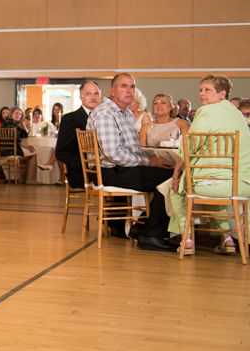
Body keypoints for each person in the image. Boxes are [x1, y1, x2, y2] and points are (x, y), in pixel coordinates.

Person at [86, 73, 176, 252]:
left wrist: (151, 158)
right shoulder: (105, 113)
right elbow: (113, 154)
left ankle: (142, 227)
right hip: (109, 172)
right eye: (124, 86)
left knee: (170, 170)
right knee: (171, 176)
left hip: (120, 168)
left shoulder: (125, 113)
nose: (129, 91)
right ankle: (150, 234)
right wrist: (148, 162)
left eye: (132, 87)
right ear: (112, 91)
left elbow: (133, 149)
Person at [166, 75, 250, 255]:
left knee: (175, 189)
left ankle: (186, 240)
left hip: (216, 184)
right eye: (201, 90)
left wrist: (176, 172)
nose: (202, 94)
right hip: (243, 185)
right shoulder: (236, 113)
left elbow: (189, 147)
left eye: (208, 90)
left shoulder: (207, 111)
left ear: (222, 94)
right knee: (209, 185)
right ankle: (226, 238)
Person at [55, 81, 102, 190]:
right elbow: (61, 153)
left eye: (96, 94)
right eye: (88, 94)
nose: (93, 97)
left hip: (104, 168)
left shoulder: (105, 118)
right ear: (81, 97)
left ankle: (116, 205)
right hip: (82, 172)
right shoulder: (70, 119)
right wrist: (88, 166)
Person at [1, 108, 41, 185]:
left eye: (20, 114)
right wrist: (26, 147)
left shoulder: (14, 124)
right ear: (11, 113)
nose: (18, 115)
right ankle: (30, 178)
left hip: (11, 148)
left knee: (26, 153)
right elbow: (15, 138)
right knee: (33, 153)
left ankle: (22, 178)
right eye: (16, 113)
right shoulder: (8, 122)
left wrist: (22, 122)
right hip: (8, 149)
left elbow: (25, 134)